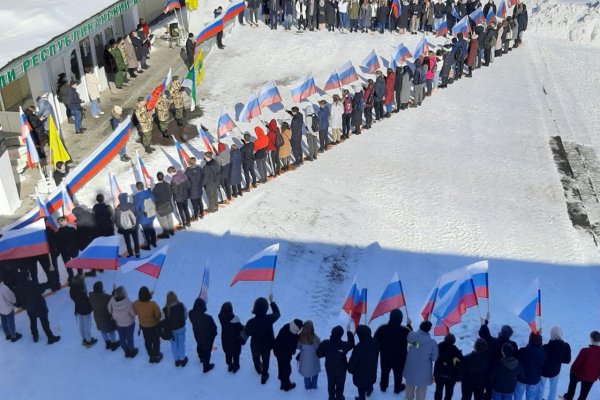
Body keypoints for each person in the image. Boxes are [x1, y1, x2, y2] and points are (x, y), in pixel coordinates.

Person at [14, 272, 60, 344]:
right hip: (40, 307)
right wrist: (51, 276)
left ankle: (35, 336)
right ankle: (50, 337)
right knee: (45, 322)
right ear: (26, 277)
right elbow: (45, 287)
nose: (30, 277)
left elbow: (17, 301)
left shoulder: (17, 287)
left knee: (33, 322)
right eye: (28, 275)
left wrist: (24, 306)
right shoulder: (32, 284)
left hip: (30, 308)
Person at [244, 296, 281, 384]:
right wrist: (272, 302)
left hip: (255, 345)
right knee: (266, 360)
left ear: (255, 308)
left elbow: (247, 332)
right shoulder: (269, 319)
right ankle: (264, 376)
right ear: (266, 309)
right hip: (266, 346)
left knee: (255, 358)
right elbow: (277, 313)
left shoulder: (250, 322)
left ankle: (258, 369)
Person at [374, 309, 412, 394]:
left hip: (385, 356)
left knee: (384, 372)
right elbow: (413, 341)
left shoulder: (382, 328)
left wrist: (380, 348)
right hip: (400, 358)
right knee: (398, 373)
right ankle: (397, 388)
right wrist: (409, 325)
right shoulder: (405, 330)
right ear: (401, 319)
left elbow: (375, 341)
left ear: (390, 317)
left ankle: (383, 386)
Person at [317, 325, 355, 400]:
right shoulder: (344, 345)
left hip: (329, 368)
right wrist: (349, 332)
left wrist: (327, 352)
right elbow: (352, 344)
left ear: (332, 333)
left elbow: (319, 354)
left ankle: (331, 397)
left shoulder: (325, 343)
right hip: (341, 369)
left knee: (330, 382)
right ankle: (339, 397)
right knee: (340, 384)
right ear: (341, 335)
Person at [404, 320, 439, 400]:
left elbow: (410, 341)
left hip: (411, 367)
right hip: (424, 371)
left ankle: (409, 398)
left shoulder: (411, 335)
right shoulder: (432, 343)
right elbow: (434, 358)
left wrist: (409, 324)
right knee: (422, 389)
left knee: (409, 384)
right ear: (429, 329)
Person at [562, 331, 600, 400]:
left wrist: (572, 370)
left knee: (573, 377)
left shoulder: (585, 351)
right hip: (591, 378)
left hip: (580, 374)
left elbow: (577, 364)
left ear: (591, 338)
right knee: (583, 395)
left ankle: (569, 396)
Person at [133, 286, 162, 363]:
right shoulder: (153, 304)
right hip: (154, 326)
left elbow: (135, 313)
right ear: (148, 295)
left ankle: (151, 356)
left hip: (144, 326)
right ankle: (157, 355)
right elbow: (158, 315)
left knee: (147, 341)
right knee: (156, 341)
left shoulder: (136, 303)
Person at [349, 325, 379, 400]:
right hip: (372, 372)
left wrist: (350, 369)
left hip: (360, 377)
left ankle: (361, 398)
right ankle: (369, 390)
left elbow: (353, 363)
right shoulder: (375, 343)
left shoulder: (358, 348)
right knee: (369, 383)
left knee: (361, 389)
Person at [541, 326, 571, 400]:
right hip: (555, 371)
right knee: (553, 389)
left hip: (543, 371)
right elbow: (567, 360)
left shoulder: (546, 347)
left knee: (541, 388)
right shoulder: (566, 346)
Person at [108, 286, 138, 358]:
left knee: (122, 337)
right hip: (129, 324)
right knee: (129, 337)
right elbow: (134, 314)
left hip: (118, 323)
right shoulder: (128, 303)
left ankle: (126, 351)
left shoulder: (112, 301)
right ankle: (132, 351)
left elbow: (109, 309)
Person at [274, 319, 304, 391]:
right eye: (300, 329)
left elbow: (289, 336)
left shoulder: (287, 326)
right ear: (297, 328)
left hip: (276, 350)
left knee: (280, 365)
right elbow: (292, 351)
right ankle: (286, 385)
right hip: (284, 355)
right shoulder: (292, 337)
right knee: (287, 370)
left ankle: (281, 378)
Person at [189, 298, 217, 373]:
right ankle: (206, 367)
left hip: (197, 335)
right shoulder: (208, 318)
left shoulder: (191, 313)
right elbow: (214, 328)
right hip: (207, 338)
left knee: (199, 344)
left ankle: (201, 357)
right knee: (207, 351)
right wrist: (213, 335)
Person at [89, 281, 119, 351]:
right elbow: (113, 299)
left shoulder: (91, 296)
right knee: (111, 331)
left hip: (98, 318)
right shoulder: (105, 297)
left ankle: (107, 343)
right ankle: (114, 343)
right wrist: (114, 290)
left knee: (103, 330)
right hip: (107, 318)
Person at [69, 275, 98, 347]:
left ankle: (84, 338)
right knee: (87, 326)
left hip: (78, 309)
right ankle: (89, 341)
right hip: (85, 310)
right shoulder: (81, 291)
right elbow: (85, 301)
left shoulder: (72, 289)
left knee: (81, 325)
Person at [434, 333, 463, 400]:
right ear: (453, 341)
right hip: (450, 377)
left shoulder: (438, 347)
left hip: (439, 375)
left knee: (438, 390)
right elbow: (459, 364)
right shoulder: (456, 351)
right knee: (449, 393)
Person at [218, 302, 245, 373]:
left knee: (228, 353)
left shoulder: (221, 317)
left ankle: (229, 365)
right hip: (235, 341)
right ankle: (236, 366)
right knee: (236, 355)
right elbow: (240, 328)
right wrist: (244, 327)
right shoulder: (235, 319)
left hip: (225, 340)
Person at [164, 291, 188, 367]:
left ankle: (176, 360)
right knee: (181, 344)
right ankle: (182, 359)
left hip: (171, 331)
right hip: (181, 328)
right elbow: (185, 315)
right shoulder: (181, 305)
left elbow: (164, 320)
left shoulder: (165, 309)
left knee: (173, 345)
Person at [114, 193, 140, 258]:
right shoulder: (132, 205)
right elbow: (136, 214)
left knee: (128, 241)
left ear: (120, 199)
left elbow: (117, 221)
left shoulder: (118, 208)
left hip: (125, 228)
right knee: (136, 240)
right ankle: (137, 253)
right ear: (126, 198)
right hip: (133, 226)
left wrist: (121, 227)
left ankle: (130, 254)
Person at [297, 320, 321, 390]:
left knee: (306, 374)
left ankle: (307, 386)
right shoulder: (316, 339)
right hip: (314, 360)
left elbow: (298, 347)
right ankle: (314, 386)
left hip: (304, 360)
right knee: (314, 373)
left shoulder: (300, 338)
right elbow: (319, 348)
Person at [133, 182, 157, 249]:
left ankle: (148, 245)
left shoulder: (137, 196)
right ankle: (154, 243)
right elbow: (154, 200)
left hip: (143, 216)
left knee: (146, 231)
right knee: (151, 229)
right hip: (151, 214)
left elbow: (136, 208)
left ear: (137, 187)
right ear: (143, 186)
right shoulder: (148, 193)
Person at [152, 172, 176, 238]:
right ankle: (171, 231)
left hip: (161, 206)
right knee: (169, 218)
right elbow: (171, 193)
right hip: (168, 204)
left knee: (163, 220)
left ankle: (166, 233)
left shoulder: (155, 188)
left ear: (157, 178)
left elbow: (154, 198)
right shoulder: (167, 184)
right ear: (163, 177)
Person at [0, 275, 22, 342]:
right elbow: (10, 296)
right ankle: (13, 336)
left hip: (0, 309)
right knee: (11, 322)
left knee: (3, 321)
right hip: (8, 308)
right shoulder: (3, 288)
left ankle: (7, 334)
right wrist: (15, 301)